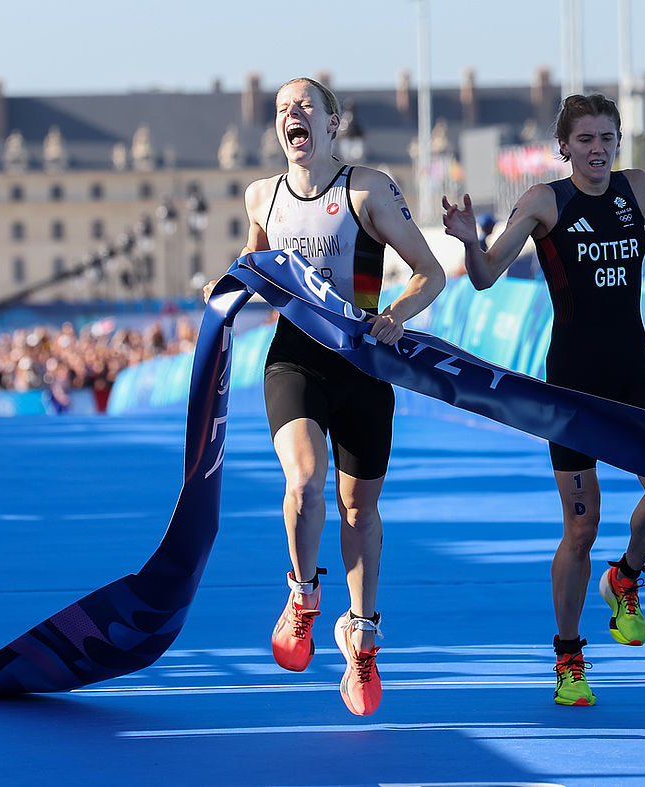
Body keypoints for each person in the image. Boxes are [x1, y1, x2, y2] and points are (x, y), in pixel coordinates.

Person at [442, 93, 645, 707]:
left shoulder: (637, 188)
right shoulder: (546, 201)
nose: (598, 149)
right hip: (571, 389)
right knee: (581, 528)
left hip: (632, 377)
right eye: (587, 140)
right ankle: (569, 657)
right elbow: (488, 275)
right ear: (564, 148)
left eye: (608, 138)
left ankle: (624, 577)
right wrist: (470, 240)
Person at [203, 77, 445, 715]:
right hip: (296, 360)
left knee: (359, 512)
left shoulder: (364, 189)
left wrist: (394, 314)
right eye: (284, 110)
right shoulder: (263, 196)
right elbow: (252, 270)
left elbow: (431, 272)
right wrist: (222, 290)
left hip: (363, 361)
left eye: (307, 107)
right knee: (305, 483)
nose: (293, 116)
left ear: (334, 125)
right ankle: (303, 595)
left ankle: (361, 639)